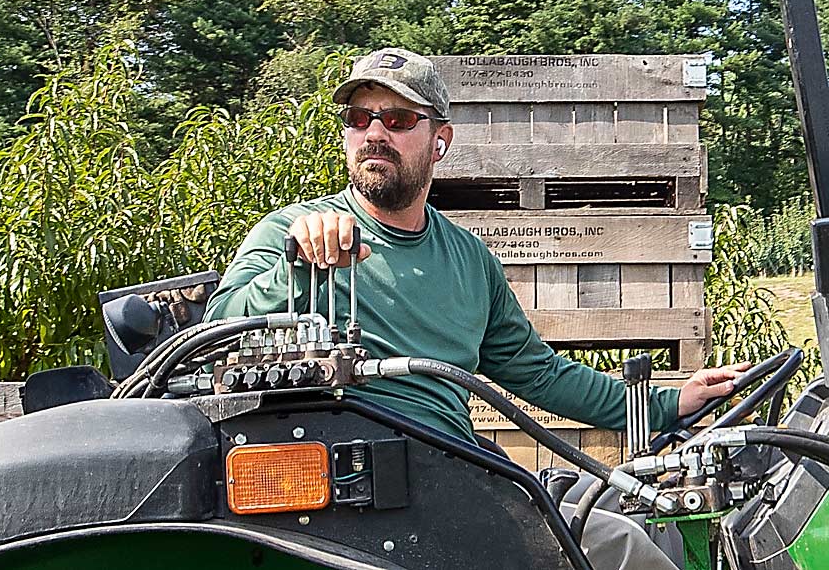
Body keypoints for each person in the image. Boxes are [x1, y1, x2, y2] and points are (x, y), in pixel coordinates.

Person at [203, 46, 747, 443]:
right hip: (334, 485)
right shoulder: (291, 231)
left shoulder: (469, 259)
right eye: (359, 118)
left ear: (440, 140)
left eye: (396, 119)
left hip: (453, 470)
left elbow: (541, 374)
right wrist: (298, 269)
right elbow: (208, 337)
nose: (374, 133)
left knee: (614, 529)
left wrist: (670, 402)